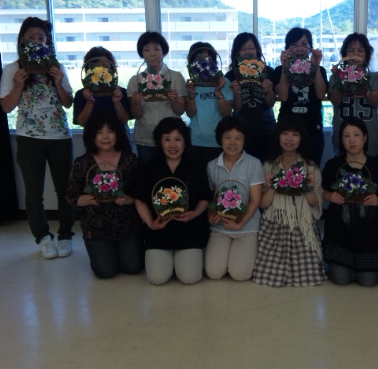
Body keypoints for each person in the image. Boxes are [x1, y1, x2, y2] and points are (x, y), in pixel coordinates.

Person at [0, 16, 75, 259]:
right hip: (28, 138)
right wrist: (18, 86)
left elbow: (68, 103)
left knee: (65, 190)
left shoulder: (56, 66)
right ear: (22, 41)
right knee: (34, 194)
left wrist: (59, 82)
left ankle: (65, 235)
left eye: (41, 38)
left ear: (48, 42)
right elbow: (6, 107)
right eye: (31, 37)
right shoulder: (13, 69)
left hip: (60, 136)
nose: (36, 41)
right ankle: (43, 237)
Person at [66, 113, 144, 279]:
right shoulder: (82, 162)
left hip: (127, 224)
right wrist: (82, 200)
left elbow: (142, 192)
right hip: (96, 227)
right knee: (106, 271)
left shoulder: (130, 159)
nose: (105, 137)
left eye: (110, 131)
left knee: (133, 267)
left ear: (118, 133)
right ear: (92, 136)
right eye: (99, 132)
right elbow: (70, 195)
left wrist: (129, 200)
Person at [133, 117, 210, 285]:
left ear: (185, 142)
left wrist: (195, 213)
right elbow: (140, 200)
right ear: (160, 143)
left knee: (189, 278)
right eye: (167, 139)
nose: (173, 145)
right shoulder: (149, 168)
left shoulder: (196, 167)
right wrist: (151, 223)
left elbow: (205, 198)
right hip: (158, 233)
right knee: (157, 278)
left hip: (189, 232)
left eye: (177, 139)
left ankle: (185, 259)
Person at [252, 115, 326, 287]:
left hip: (302, 222)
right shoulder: (268, 166)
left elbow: (315, 203)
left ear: (302, 138)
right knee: (268, 276)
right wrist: (272, 186)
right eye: (285, 133)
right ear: (277, 136)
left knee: (309, 276)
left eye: (295, 134)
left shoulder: (310, 167)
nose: (289, 139)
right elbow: (263, 204)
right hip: (276, 222)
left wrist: (307, 187)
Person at [322, 117, 378, 286]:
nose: (352, 140)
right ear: (341, 140)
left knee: (368, 281)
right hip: (339, 233)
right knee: (340, 279)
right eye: (346, 136)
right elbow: (320, 191)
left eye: (356, 135)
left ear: (365, 137)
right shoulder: (333, 165)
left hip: (369, 235)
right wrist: (330, 196)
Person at [205, 116, 264, 281]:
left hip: (247, 227)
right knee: (213, 273)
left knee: (240, 275)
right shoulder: (211, 166)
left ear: (244, 140)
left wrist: (240, 223)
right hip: (221, 226)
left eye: (238, 138)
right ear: (220, 139)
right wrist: (211, 215)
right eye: (228, 137)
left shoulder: (254, 163)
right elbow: (212, 198)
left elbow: (255, 201)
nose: (232, 143)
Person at [127, 31, 186, 164]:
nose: (152, 53)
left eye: (156, 49)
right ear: (142, 53)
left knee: (172, 172)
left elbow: (180, 111)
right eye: (147, 50)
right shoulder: (135, 80)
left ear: (163, 52)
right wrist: (135, 103)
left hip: (172, 138)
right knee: (148, 174)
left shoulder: (175, 77)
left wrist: (174, 100)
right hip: (145, 138)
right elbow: (136, 114)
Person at [273, 27, 328, 166]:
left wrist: (316, 66)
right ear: (287, 49)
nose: (299, 48)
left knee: (312, 170)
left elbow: (321, 94)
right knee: (285, 169)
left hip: (312, 129)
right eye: (294, 44)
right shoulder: (279, 70)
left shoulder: (319, 70)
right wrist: (285, 68)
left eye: (304, 44)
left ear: (310, 49)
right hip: (287, 131)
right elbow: (283, 96)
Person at [329, 33, 378, 157]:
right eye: (351, 50)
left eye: (360, 50)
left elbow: (375, 101)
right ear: (344, 54)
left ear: (367, 54)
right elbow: (335, 101)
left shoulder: (375, 76)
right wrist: (339, 78)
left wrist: (363, 87)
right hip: (342, 137)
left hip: (370, 137)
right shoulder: (336, 76)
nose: (355, 54)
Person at [225, 32, 276, 161]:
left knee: (266, 167)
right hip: (240, 130)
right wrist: (236, 93)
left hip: (266, 129)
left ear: (257, 50)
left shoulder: (268, 71)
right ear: (237, 52)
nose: (247, 51)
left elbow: (271, 103)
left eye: (251, 47)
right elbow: (236, 108)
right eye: (243, 48)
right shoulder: (231, 75)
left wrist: (269, 91)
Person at [185, 41, 233, 168]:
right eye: (200, 58)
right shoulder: (191, 84)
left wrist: (218, 92)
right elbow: (190, 113)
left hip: (218, 141)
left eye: (209, 58)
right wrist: (191, 93)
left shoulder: (223, 82)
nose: (205, 62)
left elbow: (227, 113)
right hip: (195, 141)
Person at [73, 46, 131, 127]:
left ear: (112, 68)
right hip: (92, 134)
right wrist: (89, 102)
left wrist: (117, 102)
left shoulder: (119, 92)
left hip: (119, 134)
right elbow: (81, 122)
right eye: (95, 65)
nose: (100, 69)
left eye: (104, 65)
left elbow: (124, 120)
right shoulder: (82, 94)